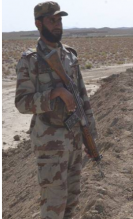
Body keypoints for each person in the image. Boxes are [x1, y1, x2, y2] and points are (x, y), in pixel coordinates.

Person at [15, 1, 98, 218]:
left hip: (74, 139)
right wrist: (54, 94)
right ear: (38, 24)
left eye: (59, 20)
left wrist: (91, 135)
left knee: (71, 203)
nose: (57, 25)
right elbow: (22, 102)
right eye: (52, 20)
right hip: (50, 145)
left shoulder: (70, 55)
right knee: (54, 206)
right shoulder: (30, 61)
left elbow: (83, 97)